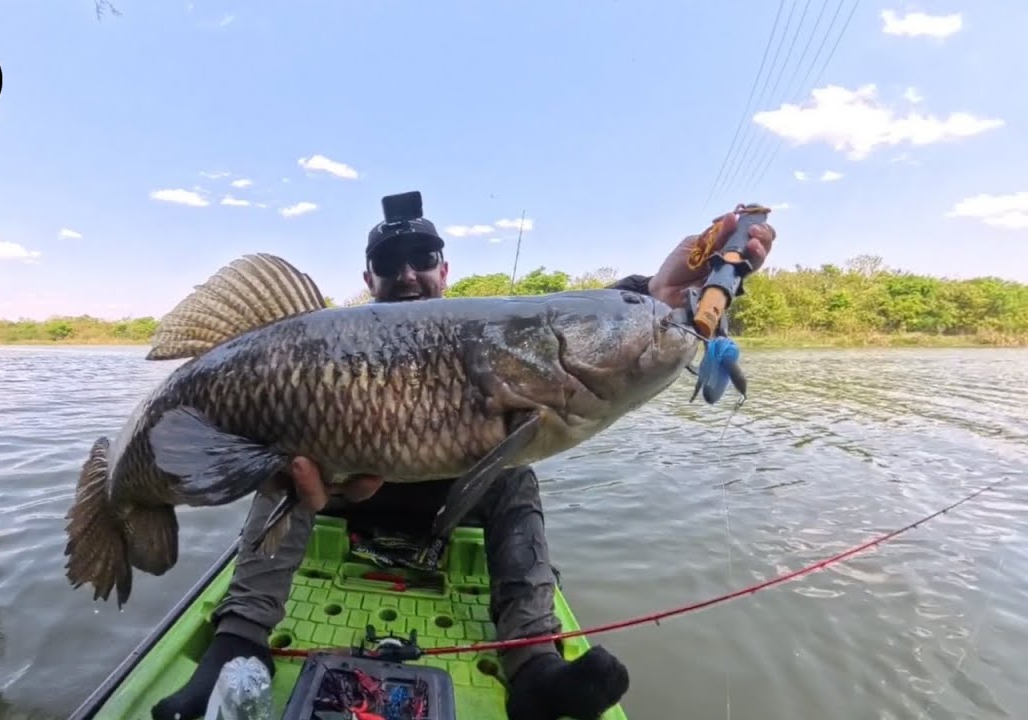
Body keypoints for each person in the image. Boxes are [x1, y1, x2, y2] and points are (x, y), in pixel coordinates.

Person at [151, 197, 776, 720]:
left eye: (421, 260)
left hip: (459, 498)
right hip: (343, 500)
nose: (406, 274)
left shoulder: (483, 331)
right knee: (287, 468)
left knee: (515, 478)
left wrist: (657, 292)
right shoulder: (322, 341)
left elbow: (549, 328)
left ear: (444, 272)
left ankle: (533, 664)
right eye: (387, 264)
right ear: (368, 281)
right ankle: (237, 641)